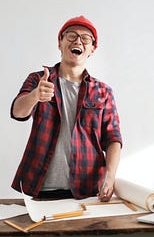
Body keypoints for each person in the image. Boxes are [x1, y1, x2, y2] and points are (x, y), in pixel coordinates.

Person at [10, 15, 123, 202]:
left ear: (92, 49)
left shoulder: (103, 91)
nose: (78, 41)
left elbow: (113, 139)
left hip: (88, 189)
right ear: (60, 43)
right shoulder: (40, 80)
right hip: (44, 188)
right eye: (71, 35)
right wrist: (35, 96)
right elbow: (17, 112)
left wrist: (110, 176)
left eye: (85, 38)